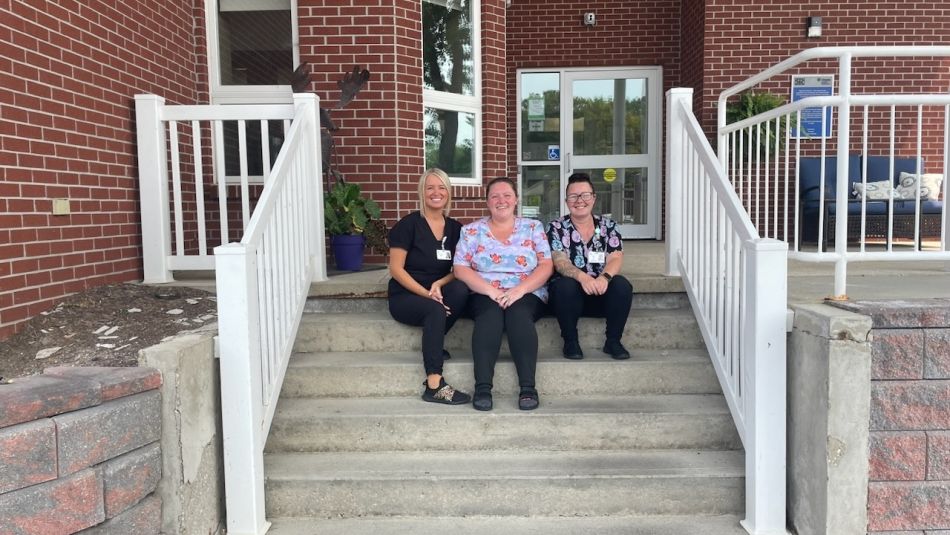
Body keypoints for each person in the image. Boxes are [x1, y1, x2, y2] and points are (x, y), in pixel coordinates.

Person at [453, 177, 553, 411]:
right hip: (483, 292)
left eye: (507, 195)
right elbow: (459, 268)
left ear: (516, 199)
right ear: (487, 201)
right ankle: (483, 388)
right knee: (490, 316)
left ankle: (528, 388)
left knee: (519, 315)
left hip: (527, 290)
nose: (501, 200)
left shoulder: (533, 228)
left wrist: (519, 290)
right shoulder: (470, 231)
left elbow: (546, 265)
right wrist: (492, 291)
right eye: (495, 196)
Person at [388, 168, 471, 405]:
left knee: (461, 289)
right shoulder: (409, 225)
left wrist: (439, 283)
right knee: (434, 309)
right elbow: (396, 269)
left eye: (442, 187)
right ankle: (434, 384)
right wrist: (426, 294)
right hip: (406, 295)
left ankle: (433, 341)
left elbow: (460, 268)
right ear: (422, 192)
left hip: (437, 290)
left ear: (449, 192)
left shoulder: (456, 229)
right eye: (430, 187)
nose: (436, 192)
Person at [546, 172, 633, 360]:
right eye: (573, 196)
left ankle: (613, 341)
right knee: (564, 286)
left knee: (621, 285)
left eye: (585, 195)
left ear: (593, 198)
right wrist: (583, 278)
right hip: (568, 299)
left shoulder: (608, 226)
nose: (579, 200)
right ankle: (571, 342)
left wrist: (604, 278)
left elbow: (615, 257)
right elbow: (560, 261)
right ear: (566, 201)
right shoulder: (556, 227)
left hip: (599, 293)